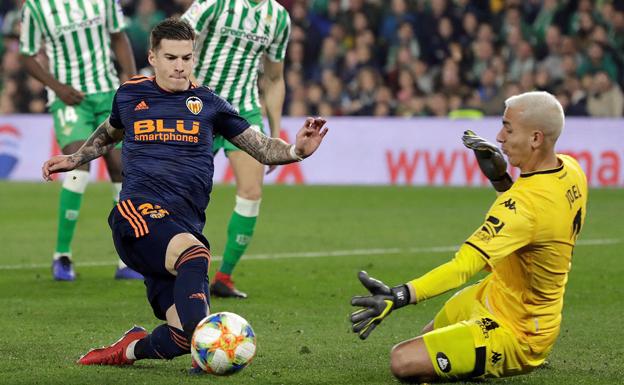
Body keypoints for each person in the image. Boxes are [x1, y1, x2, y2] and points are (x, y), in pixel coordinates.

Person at [41, 18, 327, 368]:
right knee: (196, 255)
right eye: (171, 57)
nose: (179, 66)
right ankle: (210, 342)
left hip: (181, 226)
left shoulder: (210, 104)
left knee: (180, 336)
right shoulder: (131, 94)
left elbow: (263, 149)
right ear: (153, 57)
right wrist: (75, 158)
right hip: (136, 216)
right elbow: (110, 132)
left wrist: (297, 150)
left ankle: (127, 349)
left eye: (186, 58)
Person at [350, 91, 587, 382]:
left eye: (508, 129)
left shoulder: (524, 205)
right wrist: (501, 180)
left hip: (521, 331)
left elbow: (462, 266)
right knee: (427, 341)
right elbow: (532, 229)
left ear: (535, 139)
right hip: (495, 292)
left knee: (404, 361)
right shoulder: (572, 169)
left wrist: (398, 295)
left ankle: (494, 358)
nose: (499, 137)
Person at [19, 0, 142, 280]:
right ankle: (62, 256)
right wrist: (58, 88)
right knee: (78, 168)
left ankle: (127, 260)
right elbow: (26, 55)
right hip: (71, 99)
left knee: (122, 170)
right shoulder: (36, 7)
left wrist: (131, 80)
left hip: (107, 91)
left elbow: (117, 35)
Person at [180, 0, 291, 298]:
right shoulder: (214, 4)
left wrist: (275, 134)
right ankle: (170, 268)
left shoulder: (278, 17)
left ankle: (224, 277)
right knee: (181, 193)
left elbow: (275, 77)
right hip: (197, 106)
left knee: (252, 191)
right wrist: (194, 90)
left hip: (243, 113)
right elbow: (177, 43)